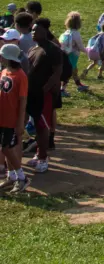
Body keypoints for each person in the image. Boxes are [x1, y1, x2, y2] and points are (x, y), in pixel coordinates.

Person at [25, 19, 62, 175]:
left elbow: (57, 73)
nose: (33, 32)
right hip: (31, 93)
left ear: (45, 31)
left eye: (36, 30)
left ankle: (43, 158)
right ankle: (38, 153)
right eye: (32, 30)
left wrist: (45, 90)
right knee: (35, 126)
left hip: (44, 95)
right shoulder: (33, 49)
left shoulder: (53, 50)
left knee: (42, 126)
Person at [0, 42, 28, 194]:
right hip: (2, 117)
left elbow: (23, 100)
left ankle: (22, 178)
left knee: (7, 148)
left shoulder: (20, 76)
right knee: (4, 148)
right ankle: (11, 177)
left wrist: (20, 122)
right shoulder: (4, 71)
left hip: (11, 119)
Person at [59, 12, 88, 93]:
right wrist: (87, 51)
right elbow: (80, 46)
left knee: (74, 70)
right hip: (73, 55)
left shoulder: (66, 32)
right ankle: (62, 89)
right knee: (69, 72)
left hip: (66, 54)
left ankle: (79, 85)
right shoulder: (76, 34)